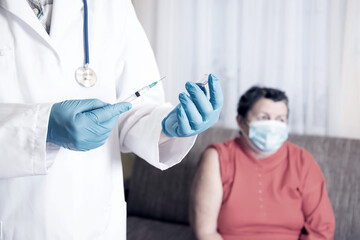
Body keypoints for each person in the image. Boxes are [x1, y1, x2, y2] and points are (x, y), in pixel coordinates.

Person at [0, 1, 223, 239]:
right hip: (12, 215)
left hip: (93, 218)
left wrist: (167, 126)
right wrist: (42, 128)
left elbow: (136, 107)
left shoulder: (112, 6)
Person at [190, 86, 335, 240]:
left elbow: (321, 229)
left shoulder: (302, 160)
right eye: (263, 117)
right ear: (240, 121)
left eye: (280, 119)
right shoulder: (217, 158)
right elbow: (206, 232)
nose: (272, 126)